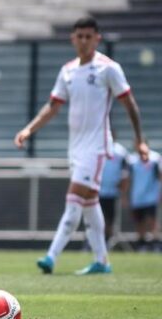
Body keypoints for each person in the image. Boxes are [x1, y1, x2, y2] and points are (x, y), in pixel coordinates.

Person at [15, 16, 150, 275]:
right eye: (80, 36)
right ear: (73, 38)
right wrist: (29, 129)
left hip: (97, 147)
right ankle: (102, 261)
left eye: (89, 36)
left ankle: (51, 257)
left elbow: (130, 103)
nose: (84, 41)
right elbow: (53, 106)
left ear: (97, 38)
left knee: (74, 199)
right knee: (89, 203)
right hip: (75, 148)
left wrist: (139, 140)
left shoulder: (108, 68)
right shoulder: (68, 71)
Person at [125, 146, 161, 251]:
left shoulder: (155, 159)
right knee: (139, 222)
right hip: (136, 198)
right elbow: (128, 179)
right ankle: (142, 245)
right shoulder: (132, 161)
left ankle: (155, 244)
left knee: (152, 221)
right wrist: (125, 196)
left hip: (151, 197)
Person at [97, 135, 129, 246]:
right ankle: (94, 241)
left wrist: (123, 193)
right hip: (97, 191)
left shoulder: (120, 152)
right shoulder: (97, 148)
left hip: (112, 192)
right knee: (96, 218)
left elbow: (125, 173)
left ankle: (107, 241)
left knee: (110, 219)